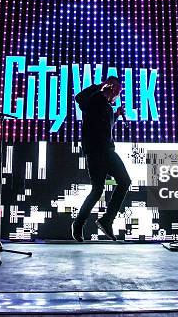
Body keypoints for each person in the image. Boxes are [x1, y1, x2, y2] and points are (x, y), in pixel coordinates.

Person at [71, 76, 131, 242]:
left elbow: (103, 127)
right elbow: (79, 98)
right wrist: (100, 85)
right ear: (111, 87)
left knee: (123, 182)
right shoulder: (94, 99)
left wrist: (117, 115)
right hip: (97, 152)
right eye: (117, 90)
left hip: (107, 150)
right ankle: (79, 224)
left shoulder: (106, 106)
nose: (118, 95)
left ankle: (105, 220)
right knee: (98, 190)